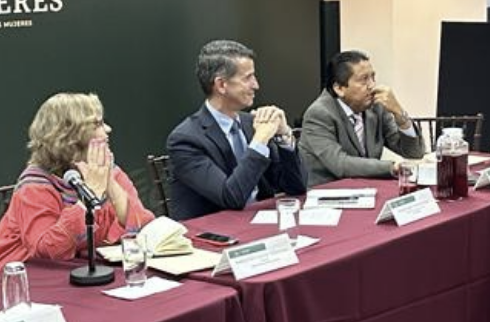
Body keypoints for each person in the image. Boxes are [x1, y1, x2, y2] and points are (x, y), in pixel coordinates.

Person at [0, 92, 154, 269]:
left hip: (82, 268)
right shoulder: (35, 185)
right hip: (23, 274)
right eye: (98, 124)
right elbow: (48, 250)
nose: (108, 129)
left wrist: (108, 181)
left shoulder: (106, 170)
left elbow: (143, 227)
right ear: (72, 137)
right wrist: (91, 193)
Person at [166, 40, 307, 220]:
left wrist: (283, 135)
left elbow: (296, 187)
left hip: (261, 223)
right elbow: (231, 198)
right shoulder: (185, 140)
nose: (256, 85)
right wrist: (260, 141)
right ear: (221, 85)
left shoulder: (251, 124)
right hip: (214, 231)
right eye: (248, 78)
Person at [299, 51, 424, 185]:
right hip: (328, 190)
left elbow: (414, 153)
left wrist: (399, 113)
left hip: (367, 188)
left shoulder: (376, 107)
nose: (372, 85)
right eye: (364, 80)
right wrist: (391, 167)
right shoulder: (319, 114)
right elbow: (340, 164)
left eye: (373, 77)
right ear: (339, 88)